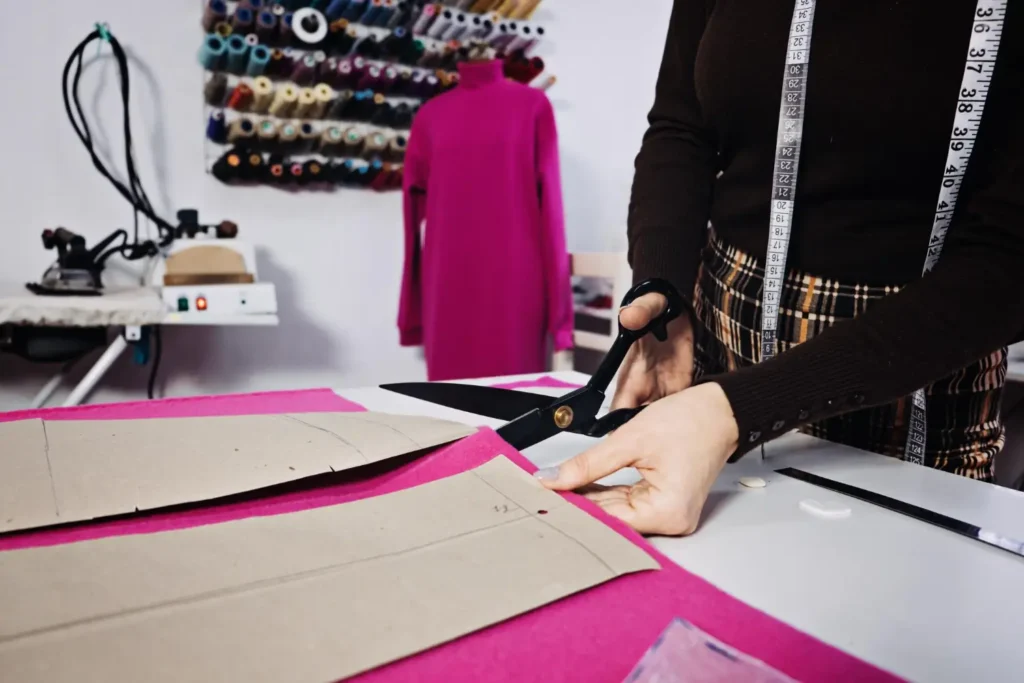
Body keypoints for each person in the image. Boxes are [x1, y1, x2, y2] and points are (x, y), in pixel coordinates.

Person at [534, 0, 1024, 536]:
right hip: (715, 353)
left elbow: (1008, 259)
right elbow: (681, 127)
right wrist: (662, 290)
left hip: (912, 379)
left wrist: (739, 409)